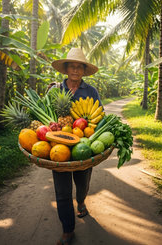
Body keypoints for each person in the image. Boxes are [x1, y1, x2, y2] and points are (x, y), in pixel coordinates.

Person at [50, 48, 101, 245]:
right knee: (62, 192)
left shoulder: (91, 91)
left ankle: (81, 201)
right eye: (72, 66)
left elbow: (99, 116)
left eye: (80, 67)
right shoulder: (55, 91)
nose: (76, 70)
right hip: (59, 147)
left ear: (83, 70)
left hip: (83, 146)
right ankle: (68, 230)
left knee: (82, 184)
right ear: (66, 68)